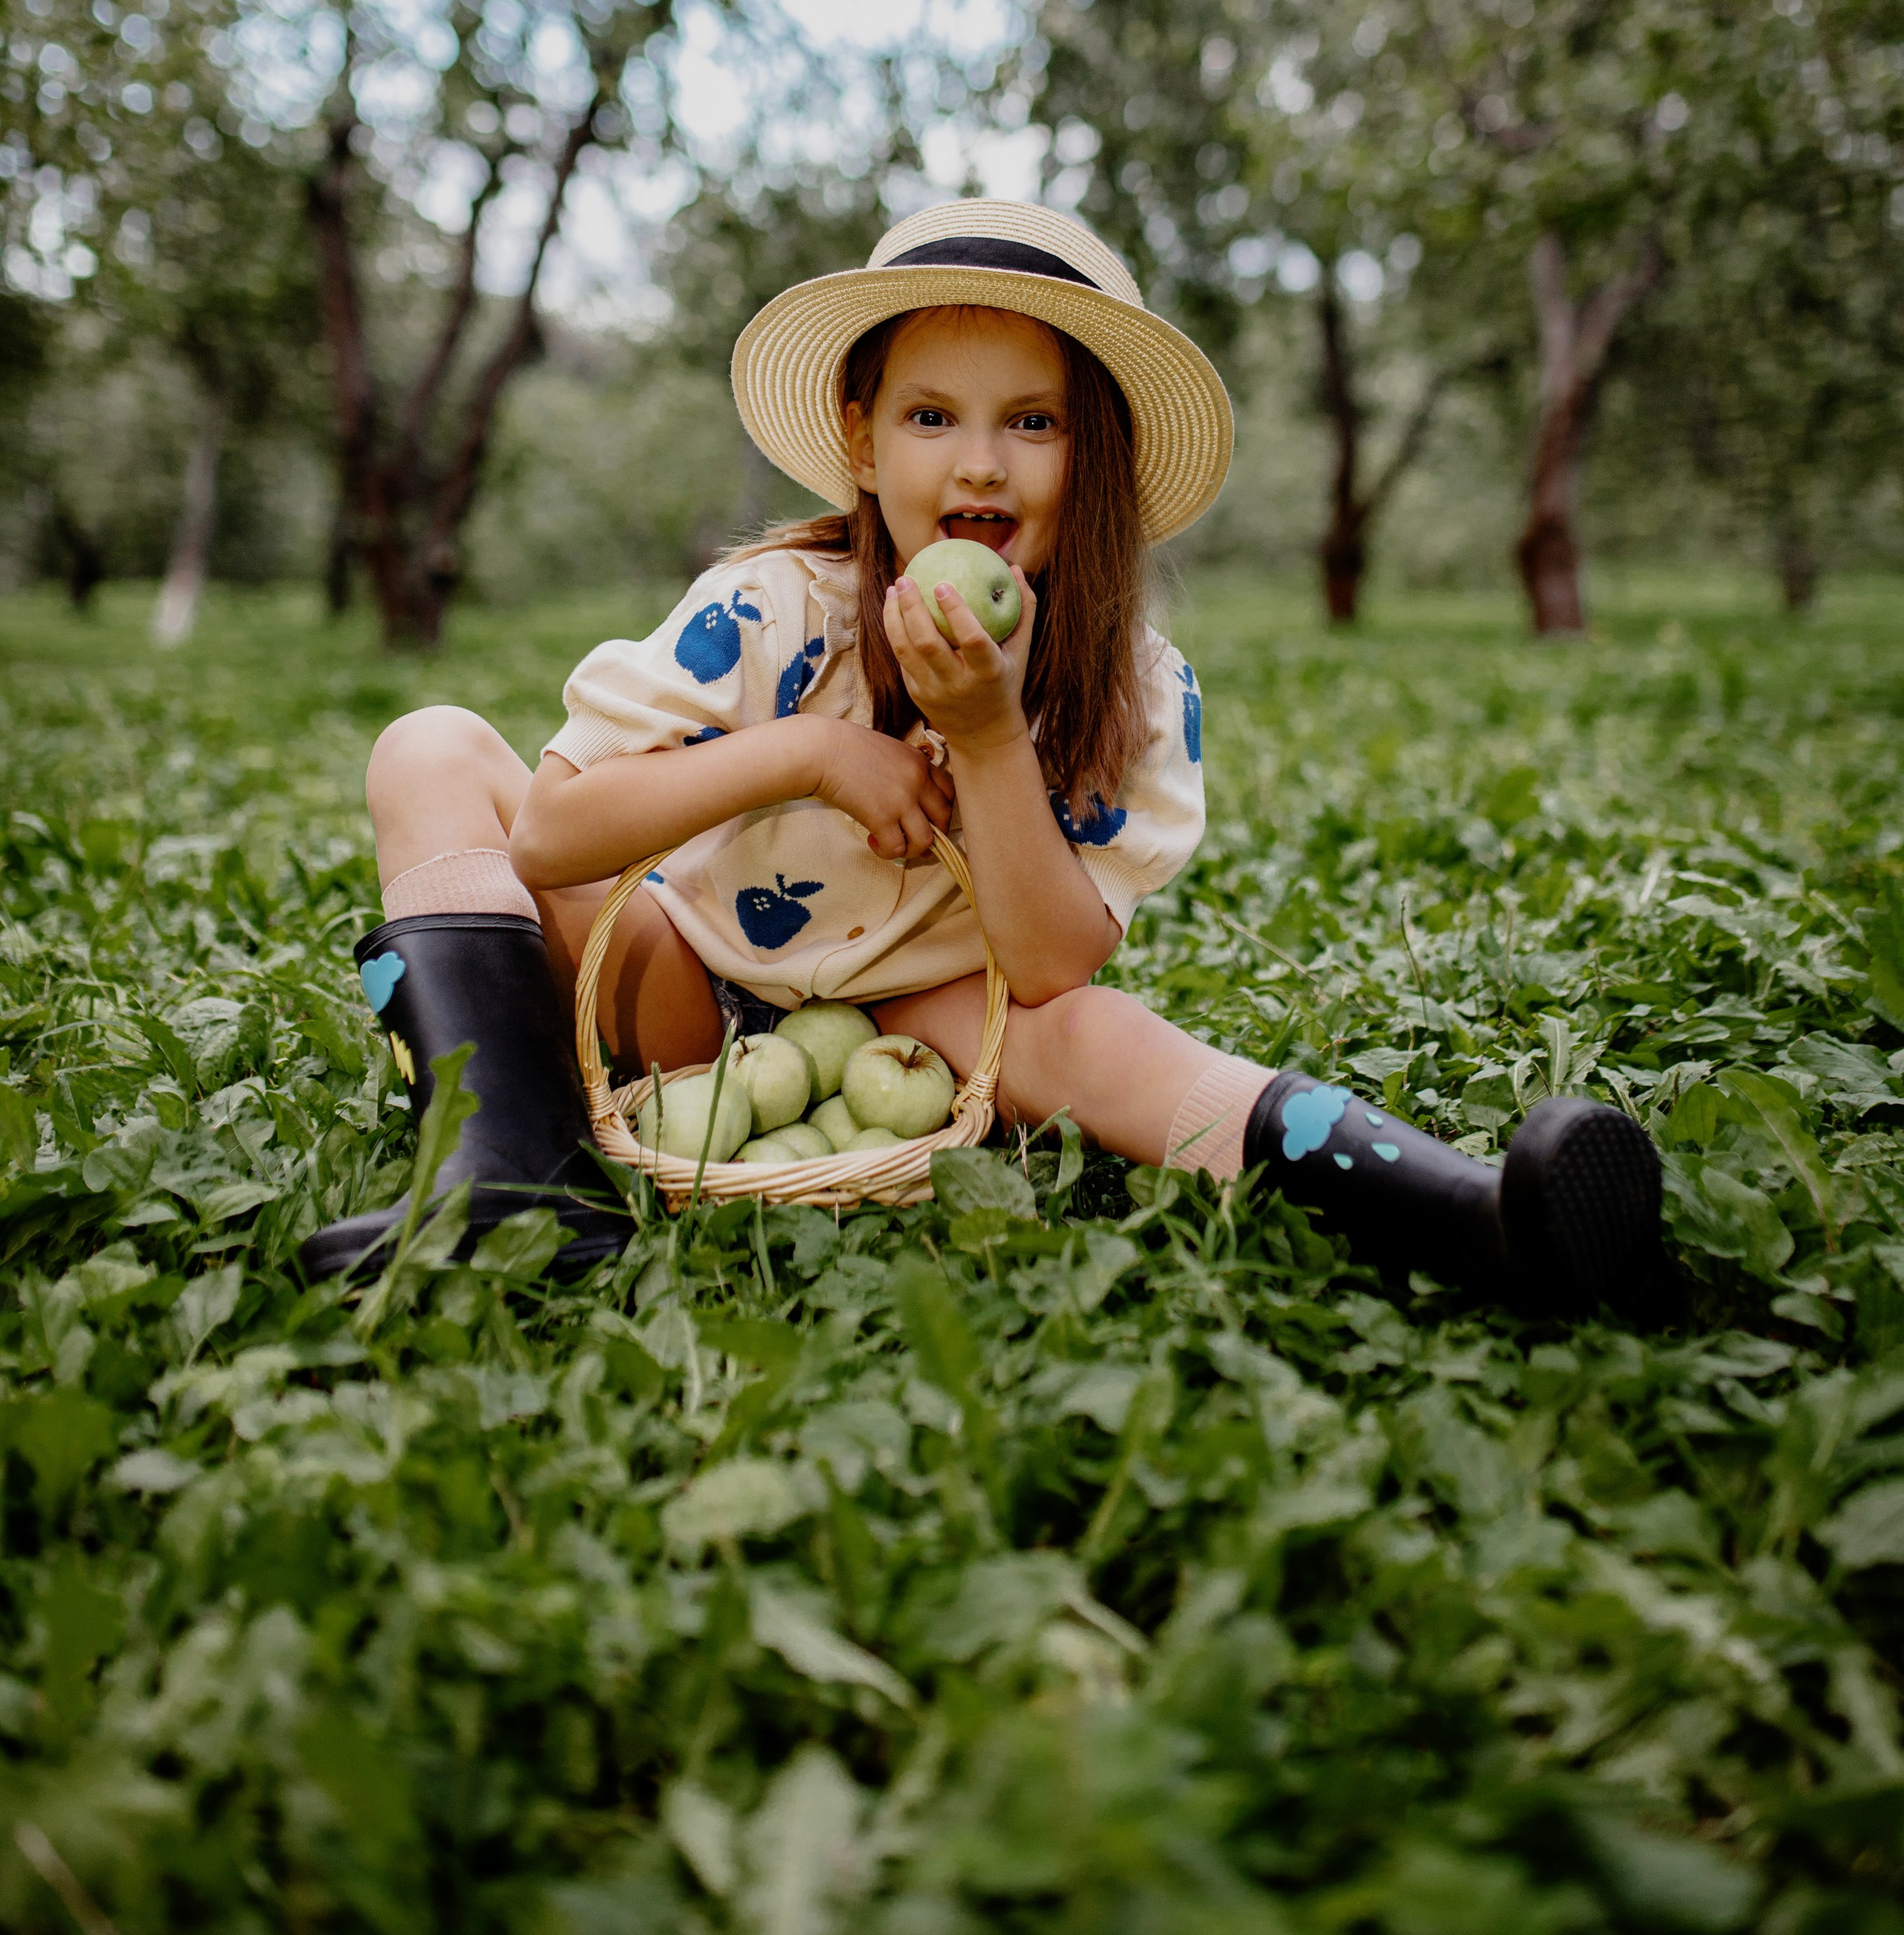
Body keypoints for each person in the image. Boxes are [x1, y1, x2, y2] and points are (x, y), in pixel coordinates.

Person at [300, 199, 1662, 1310]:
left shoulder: (1129, 686)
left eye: (1035, 420)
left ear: (1098, 454)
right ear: (863, 437)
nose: (983, 465)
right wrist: (804, 756)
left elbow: (1055, 961)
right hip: (689, 998)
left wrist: (991, 736)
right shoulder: (771, 612)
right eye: (932, 416)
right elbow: (552, 838)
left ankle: (1471, 1215)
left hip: (937, 1029)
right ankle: (506, 1169)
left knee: (1104, 1039)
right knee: (430, 745)